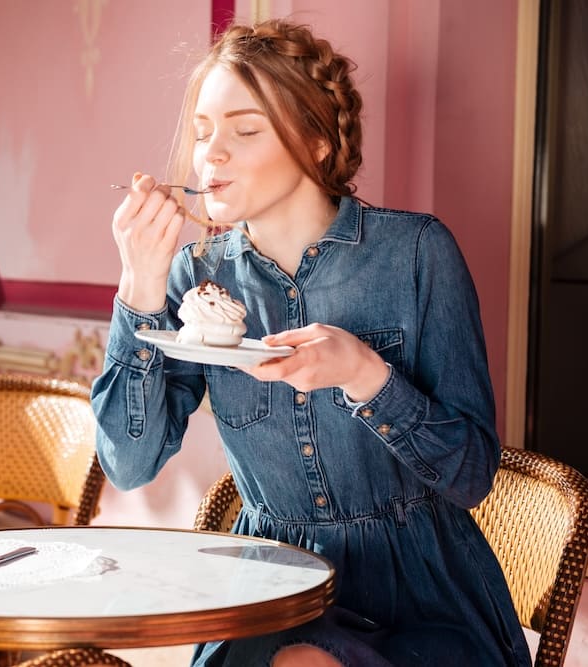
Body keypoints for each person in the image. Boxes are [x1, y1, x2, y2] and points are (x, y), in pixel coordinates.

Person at [91, 18, 531, 667]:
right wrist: (140, 287)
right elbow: (128, 463)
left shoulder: (416, 255)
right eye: (204, 131)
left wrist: (366, 375)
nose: (210, 154)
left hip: (421, 597)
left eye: (243, 130)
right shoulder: (194, 275)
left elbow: (470, 477)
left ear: (317, 142)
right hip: (272, 587)